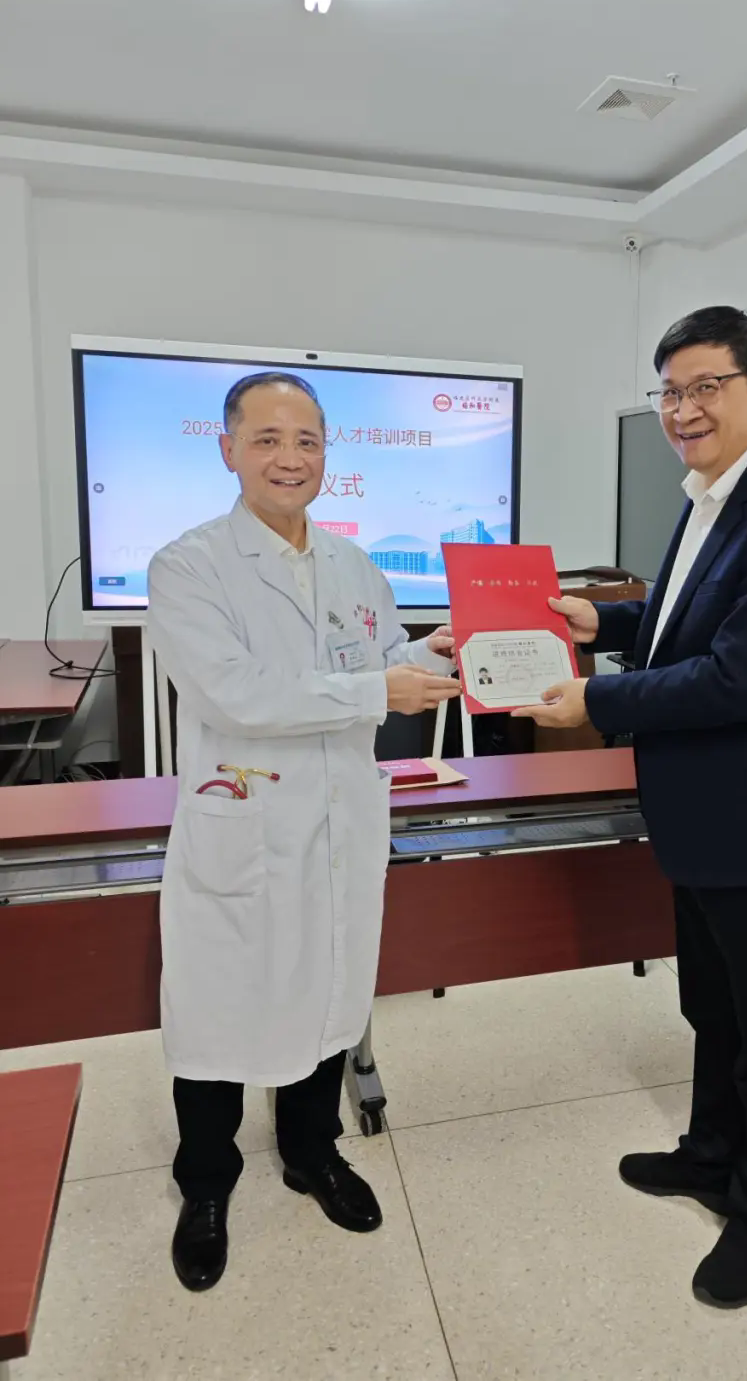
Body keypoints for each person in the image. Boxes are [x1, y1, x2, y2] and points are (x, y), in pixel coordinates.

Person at [514, 307, 747, 1309]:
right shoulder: (714, 490)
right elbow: (684, 616)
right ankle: (712, 1154)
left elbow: (739, 676)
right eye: (670, 391)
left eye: (706, 386)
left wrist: (598, 699)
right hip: (701, 813)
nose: (683, 409)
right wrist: (605, 618)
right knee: (713, 1003)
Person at [147, 371, 461, 1292]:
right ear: (228, 449)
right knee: (221, 1007)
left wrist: (432, 651)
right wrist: (377, 688)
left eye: (308, 441)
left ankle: (311, 1150)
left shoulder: (353, 565)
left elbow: (382, 657)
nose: (290, 458)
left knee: (329, 988)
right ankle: (206, 1183)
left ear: (328, 454)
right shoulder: (188, 566)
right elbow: (234, 694)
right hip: (245, 824)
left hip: (340, 823)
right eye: (268, 438)